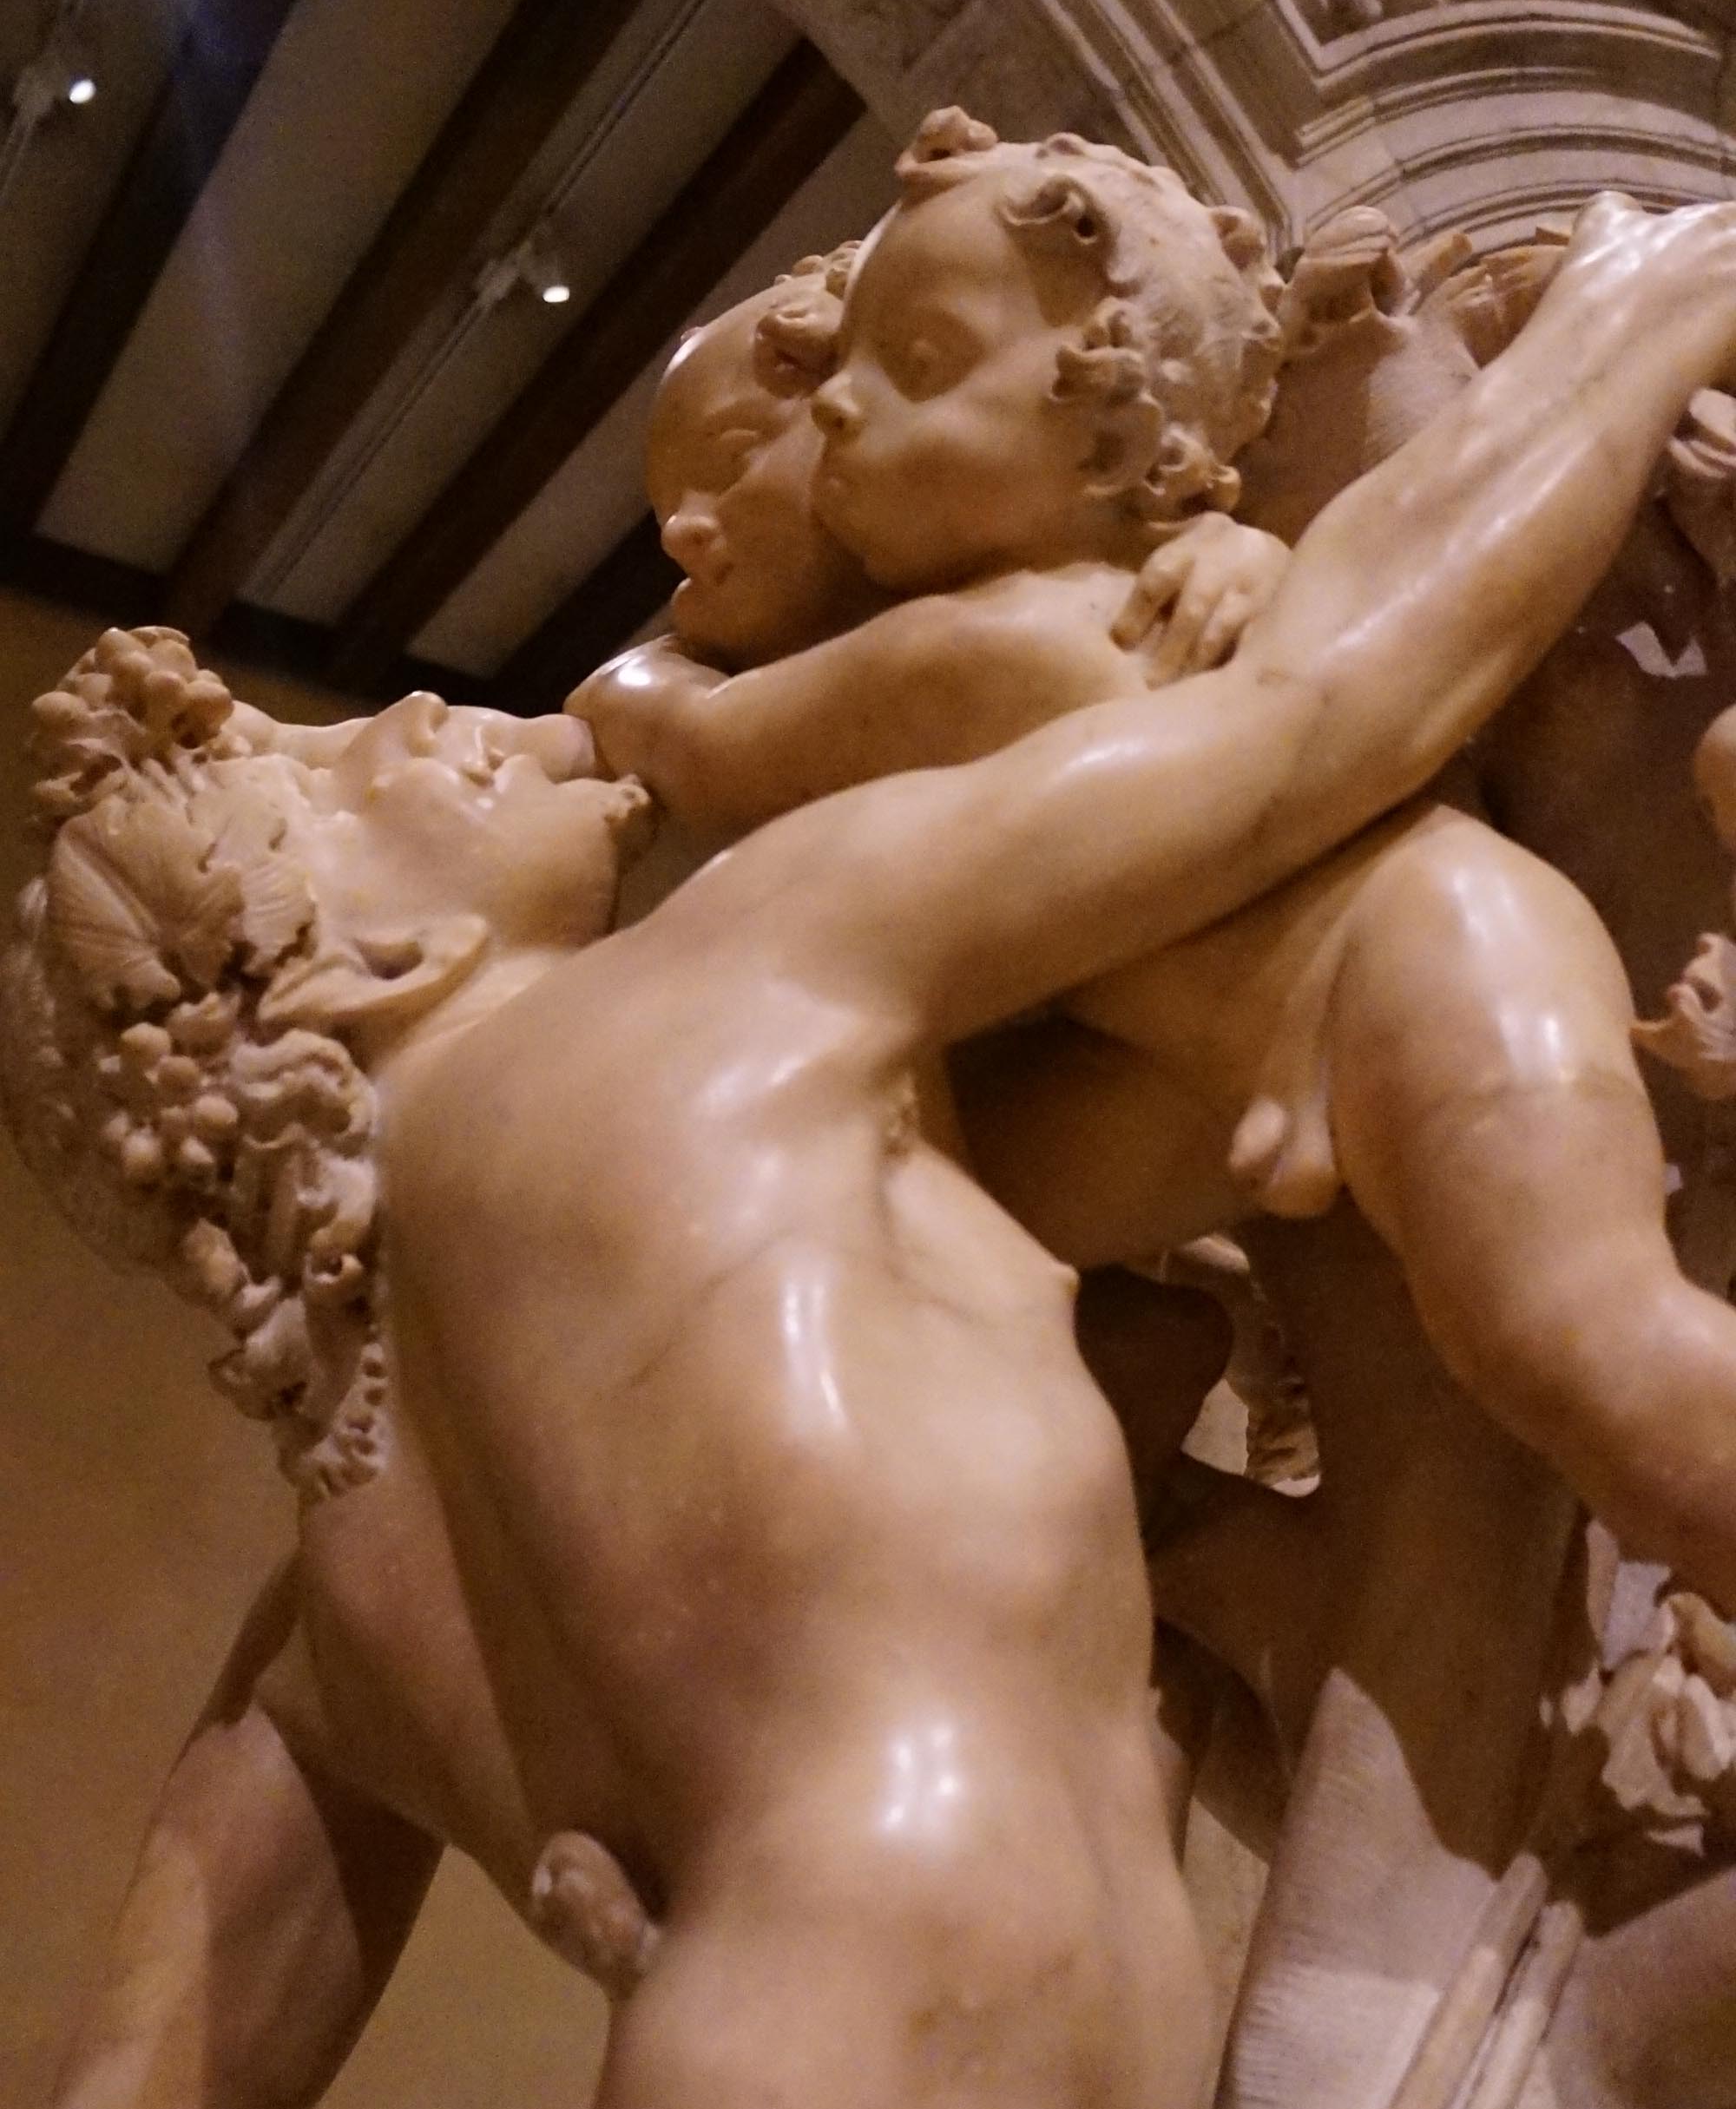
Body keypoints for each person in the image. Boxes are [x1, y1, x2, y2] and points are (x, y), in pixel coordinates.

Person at [8, 163, 1736, 2109]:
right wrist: (1647, 311)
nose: (467, 707)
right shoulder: (694, 1011)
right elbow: (1320, 713)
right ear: (356, 959)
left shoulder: (364, 1572)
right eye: (392, 751)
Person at [584, 112, 1736, 1615]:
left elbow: (706, 743)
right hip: (1245, 1054)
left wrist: (631, 687)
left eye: (912, 365)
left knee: (1598, 1351)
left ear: (1121, 433)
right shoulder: (1078, 623)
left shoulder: (984, 648)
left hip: (1428, 969)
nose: (691, 530)